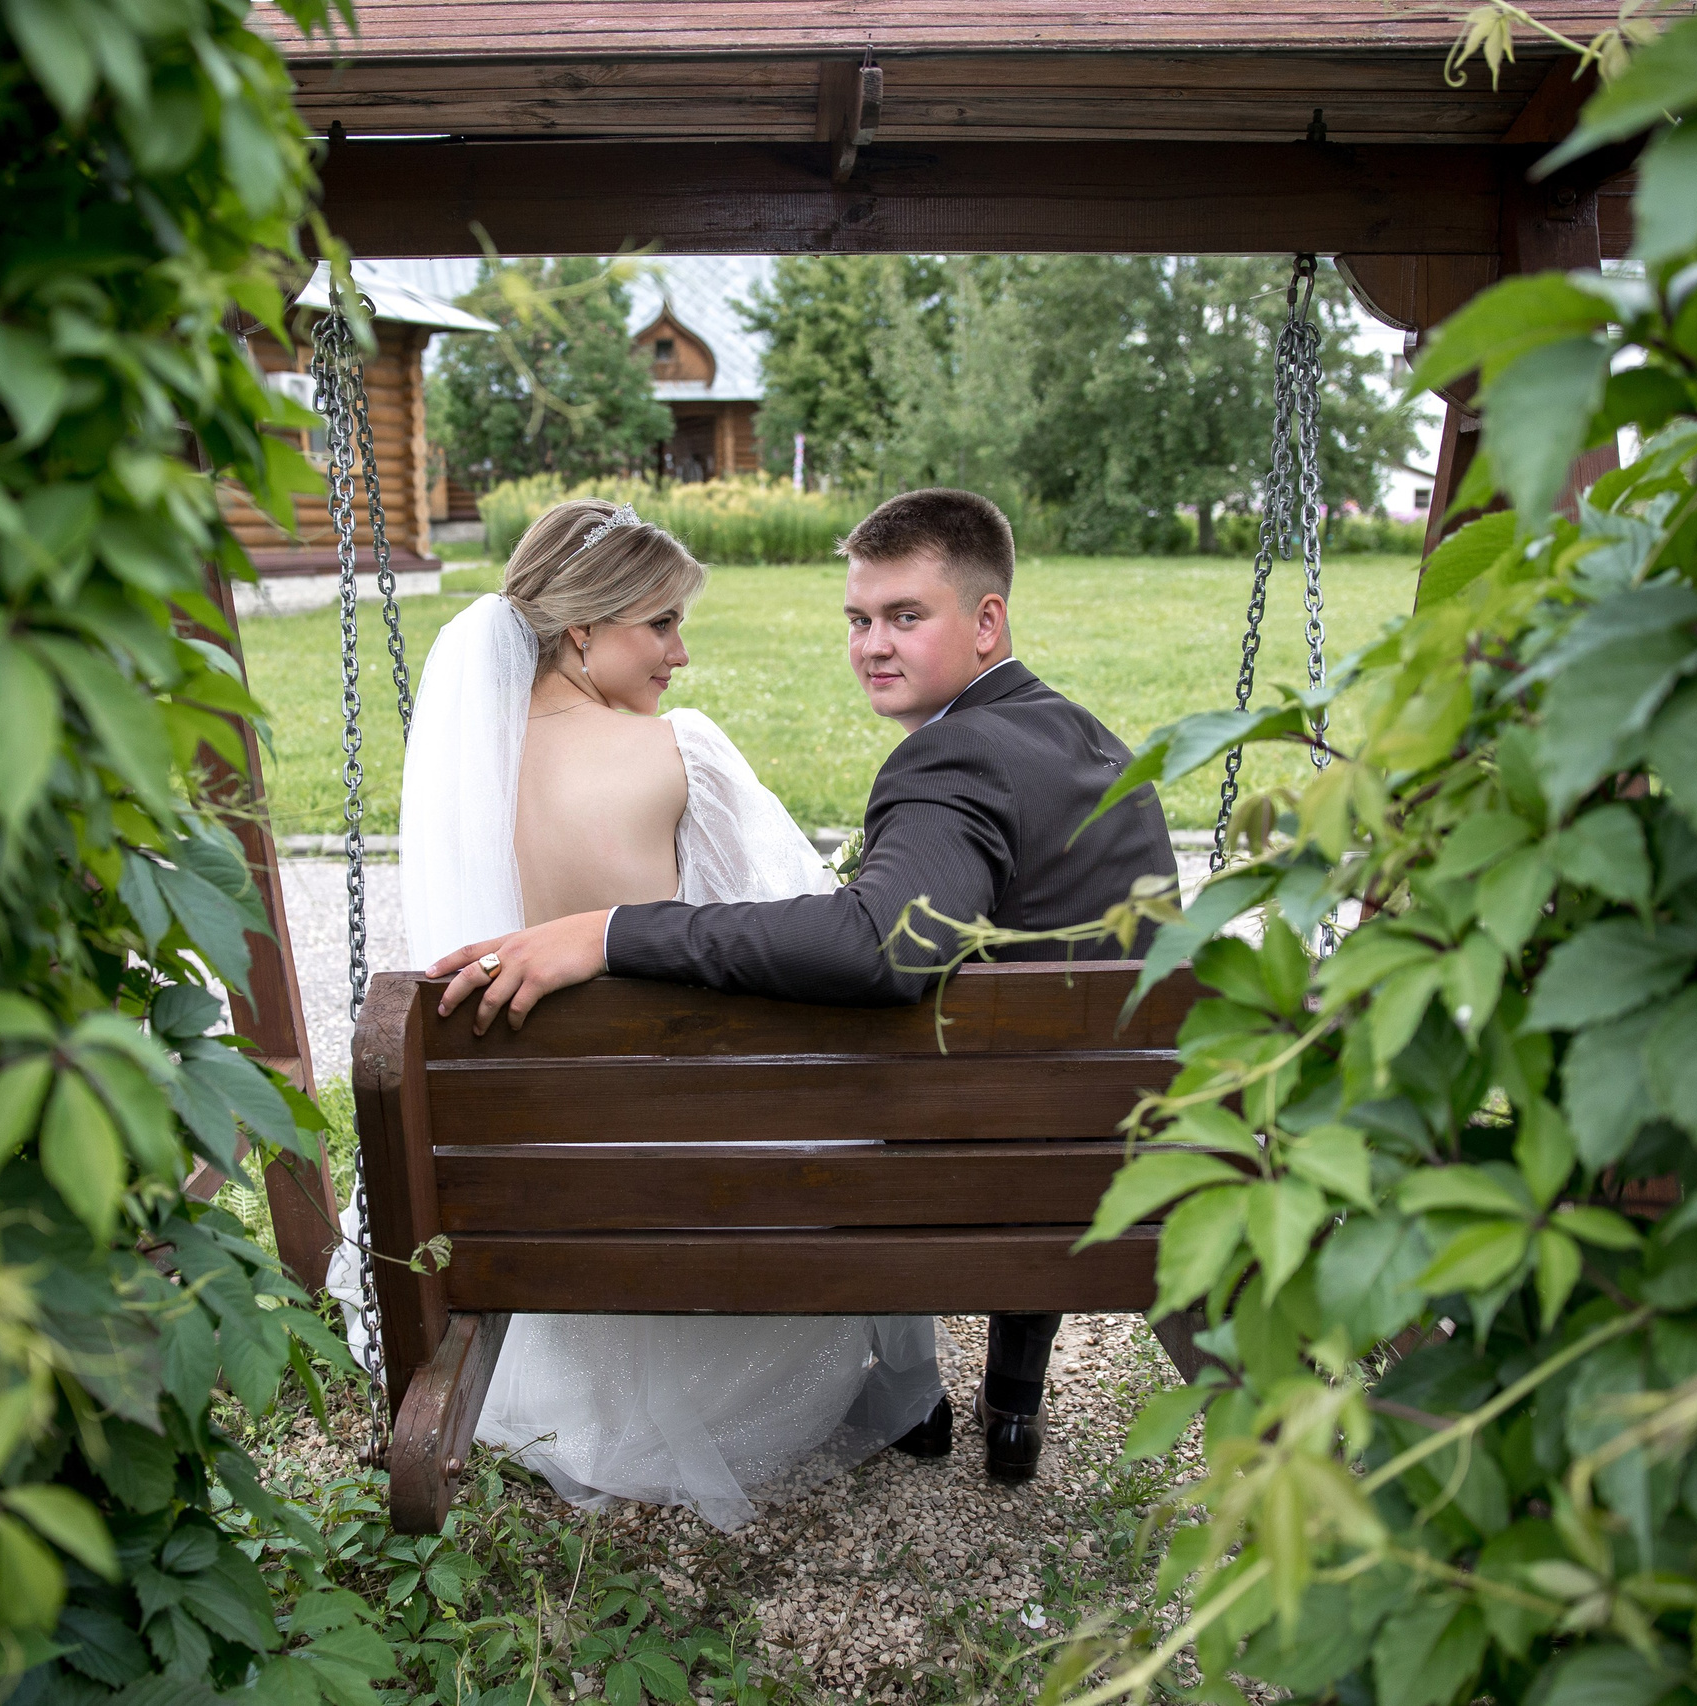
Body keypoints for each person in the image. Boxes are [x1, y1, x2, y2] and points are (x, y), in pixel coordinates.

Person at [430, 488, 1179, 1484]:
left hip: (994, 1159)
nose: (871, 644)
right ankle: (1012, 1396)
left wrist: (608, 931)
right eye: (859, 619)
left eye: (905, 616)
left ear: (986, 620)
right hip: (1103, 1139)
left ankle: (966, 1390)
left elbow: (877, 947)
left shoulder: (949, 760)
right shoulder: (1091, 742)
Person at [394, 497, 947, 1532]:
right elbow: (792, 923)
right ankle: (907, 1376)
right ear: (582, 629)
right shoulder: (673, 751)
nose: (680, 655)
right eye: (660, 623)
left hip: (529, 1172)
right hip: (679, 1162)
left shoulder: (464, 764)